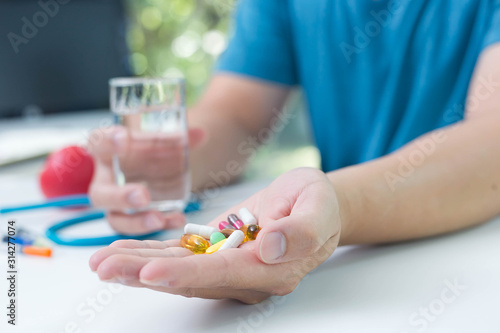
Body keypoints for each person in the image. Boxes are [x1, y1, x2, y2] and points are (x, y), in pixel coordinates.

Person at [88, 0, 500, 304]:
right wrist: (158, 167)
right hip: (347, 272)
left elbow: (492, 140)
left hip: (472, 275)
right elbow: (236, 116)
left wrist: (340, 204)